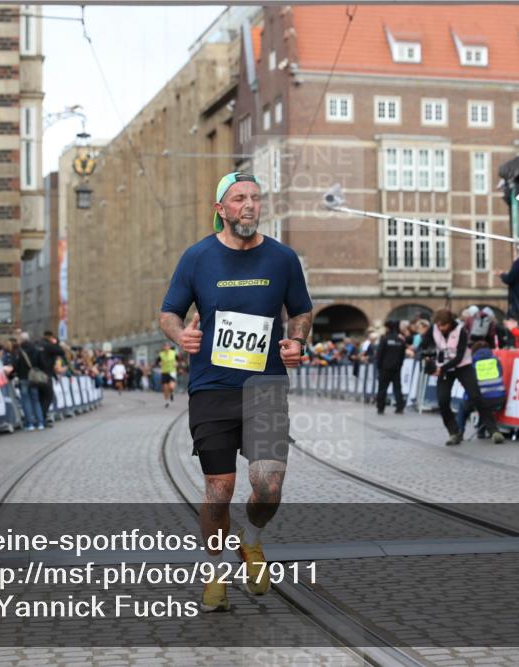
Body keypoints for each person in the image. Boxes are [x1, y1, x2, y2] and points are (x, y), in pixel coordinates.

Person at [159, 171, 312, 612]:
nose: (249, 205)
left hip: (265, 386)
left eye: (255, 198)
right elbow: (169, 312)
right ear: (220, 209)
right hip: (211, 389)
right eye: (239, 198)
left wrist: (297, 340)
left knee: (268, 487)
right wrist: (179, 336)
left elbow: (301, 311)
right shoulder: (197, 257)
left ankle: (252, 541)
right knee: (219, 489)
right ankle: (214, 572)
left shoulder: (282, 258)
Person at [420, 309, 499, 446]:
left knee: (475, 396)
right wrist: (427, 357)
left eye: (443, 325)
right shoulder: (434, 329)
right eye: (438, 325)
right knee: (443, 401)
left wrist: (441, 369)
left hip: (462, 366)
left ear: (450, 323)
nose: (440, 328)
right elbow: (423, 345)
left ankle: (493, 430)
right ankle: (454, 432)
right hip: (444, 368)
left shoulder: (461, 331)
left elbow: (459, 357)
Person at [455, 341, 506, 443]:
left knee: (465, 405)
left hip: (481, 400)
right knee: (484, 402)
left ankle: (458, 433)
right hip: (500, 399)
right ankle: (487, 432)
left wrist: (466, 400)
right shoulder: (496, 360)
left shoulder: (471, 362)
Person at [14, 332, 46, 431]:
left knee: (26, 401)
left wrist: (16, 375)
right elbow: (42, 363)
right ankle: (40, 423)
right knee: (36, 400)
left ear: (22, 340)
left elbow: (17, 365)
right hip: (34, 378)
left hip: (23, 377)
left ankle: (30, 424)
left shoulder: (19, 351)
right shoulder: (36, 350)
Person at [374, 320, 406, 415]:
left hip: (385, 368)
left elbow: (379, 354)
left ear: (387, 328)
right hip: (396, 368)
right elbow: (402, 355)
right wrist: (399, 365)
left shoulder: (384, 339)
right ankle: (400, 407)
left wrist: (379, 366)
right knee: (397, 388)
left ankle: (381, 408)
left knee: (382, 388)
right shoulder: (400, 340)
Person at [36, 331, 65, 424]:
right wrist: (55, 343)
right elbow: (61, 352)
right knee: (48, 396)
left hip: (36, 375)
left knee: (40, 397)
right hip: (46, 374)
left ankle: (39, 418)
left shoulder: (37, 344)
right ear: (50, 337)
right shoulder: (49, 346)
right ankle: (42, 418)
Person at [158, 342, 178, 407]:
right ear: (163, 347)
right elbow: (157, 361)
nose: (166, 347)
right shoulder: (161, 354)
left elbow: (178, 360)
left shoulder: (174, 353)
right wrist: (159, 363)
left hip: (172, 371)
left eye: (167, 346)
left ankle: (172, 392)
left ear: (169, 347)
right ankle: (167, 402)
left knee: (171, 386)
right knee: (165, 388)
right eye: (165, 346)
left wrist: (176, 363)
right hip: (164, 372)